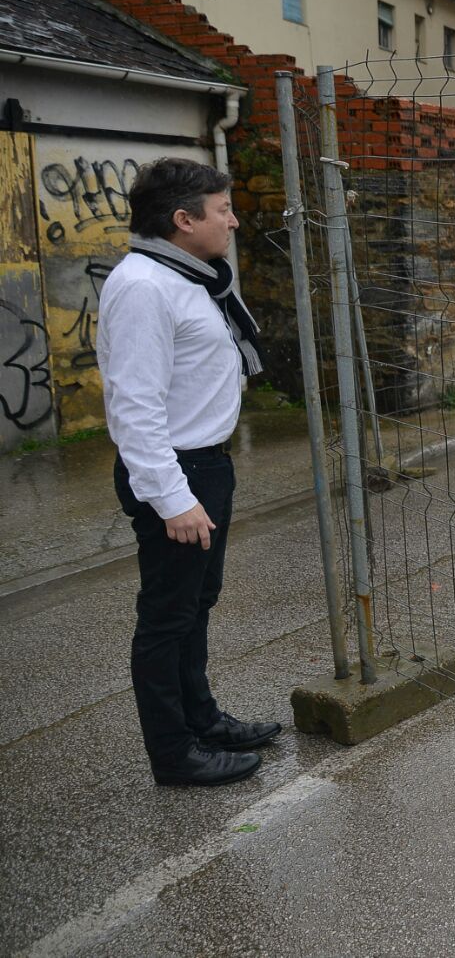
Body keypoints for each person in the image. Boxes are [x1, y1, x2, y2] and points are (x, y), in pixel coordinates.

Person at [99, 157, 278, 787]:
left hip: (206, 465)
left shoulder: (192, 278)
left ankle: (202, 720)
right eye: (222, 209)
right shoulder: (145, 287)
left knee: (196, 605)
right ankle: (174, 753)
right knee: (167, 617)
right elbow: (134, 405)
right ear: (183, 220)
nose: (233, 219)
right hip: (176, 473)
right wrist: (173, 499)